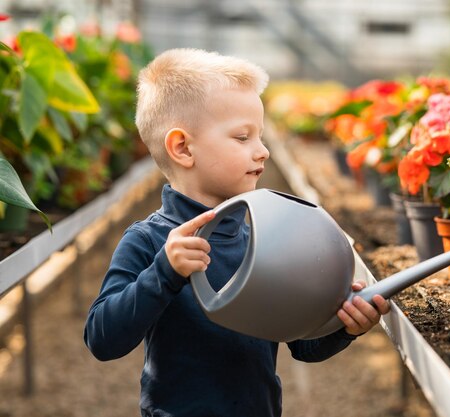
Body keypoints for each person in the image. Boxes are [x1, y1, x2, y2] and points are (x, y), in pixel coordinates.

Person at [83, 48, 390, 417]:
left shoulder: (264, 242)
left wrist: (344, 325)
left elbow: (298, 341)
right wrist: (163, 271)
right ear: (182, 147)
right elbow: (102, 338)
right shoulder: (150, 241)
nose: (263, 152)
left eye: (259, 137)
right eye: (243, 137)